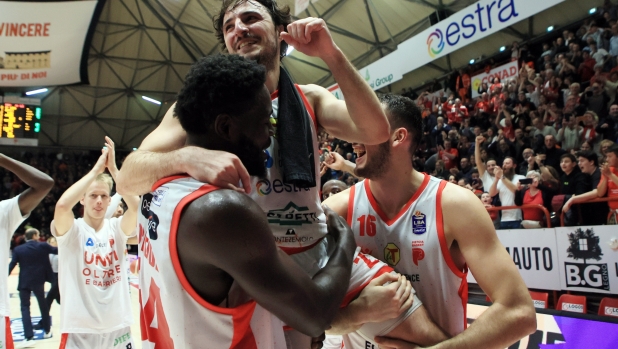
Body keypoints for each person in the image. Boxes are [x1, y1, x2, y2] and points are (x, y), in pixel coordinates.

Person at [116, 1, 391, 345]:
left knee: (405, 313)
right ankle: (339, 321)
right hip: (261, 274)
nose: (238, 29)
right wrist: (186, 157)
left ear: (280, 31)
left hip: (317, 254)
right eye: (229, 26)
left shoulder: (311, 98)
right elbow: (128, 176)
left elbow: (376, 131)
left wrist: (331, 55)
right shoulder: (205, 106)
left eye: (250, 18)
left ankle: (336, 322)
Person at [137, 55, 441, 349]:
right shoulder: (222, 210)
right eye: (263, 122)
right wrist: (345, 241)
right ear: (227, 128)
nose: (271, 133)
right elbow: (316, 315)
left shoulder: (155, 192)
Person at [323, 94, 536, 349]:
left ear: (397, 137)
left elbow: (519, 313)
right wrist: (354, 315)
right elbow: (300, 311)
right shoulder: (335, 211)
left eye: (365, 127)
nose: (353, 139)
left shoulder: (457, 205)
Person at [51, 137, 140, 348]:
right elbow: (62, 206)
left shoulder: (116, 229)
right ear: (82, 199)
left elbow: (137, 208)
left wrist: (115, 171)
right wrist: (95, 171)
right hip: (79, 330)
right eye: (92, 195)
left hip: (118, 327)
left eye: (103, 196)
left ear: (110, 200)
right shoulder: (72, 231)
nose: (99, 201)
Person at [0, 154, 54, 349]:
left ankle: (34, 332)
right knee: (38, 305)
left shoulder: (2, 212)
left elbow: (44, 184)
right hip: (37, 281)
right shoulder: (41, 245)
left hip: (3, 309)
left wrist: (2, 158)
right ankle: (43, 328)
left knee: (29, 307)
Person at [9, 228, 57, 345]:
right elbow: (57, 251)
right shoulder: (43, 246)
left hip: (24, 281)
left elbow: (12, 264)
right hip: (39, 280)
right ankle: (46, 330)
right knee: (43, 305)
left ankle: (29, 336)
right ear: (35, 235)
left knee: (25, 308)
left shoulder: (18, 249)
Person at [562, 151, 607, 225]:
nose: (579, 163)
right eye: (578, 161)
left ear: (591, 162)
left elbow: (596, 192)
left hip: (602, 214)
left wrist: (573, 199)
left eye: (582, 161)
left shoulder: (599, 173)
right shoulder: (587, 175)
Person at [489, 157, 526, 229]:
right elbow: (491, 194)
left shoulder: (520, 177)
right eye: (503, 163)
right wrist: (496, 179)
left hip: (517, 218)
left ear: (514, 166)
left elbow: (515, 190)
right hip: (504, 218)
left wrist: (502, 177)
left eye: (507, 163)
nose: (504, 165)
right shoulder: (500, 180)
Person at [597, 144, 618, 224]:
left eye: (610, 156)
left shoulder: (610, 173)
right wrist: (606, 176)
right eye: (606, 157)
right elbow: (600, 193)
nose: (607, 159)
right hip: (613, 213)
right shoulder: (608, 170)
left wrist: (610, 175)